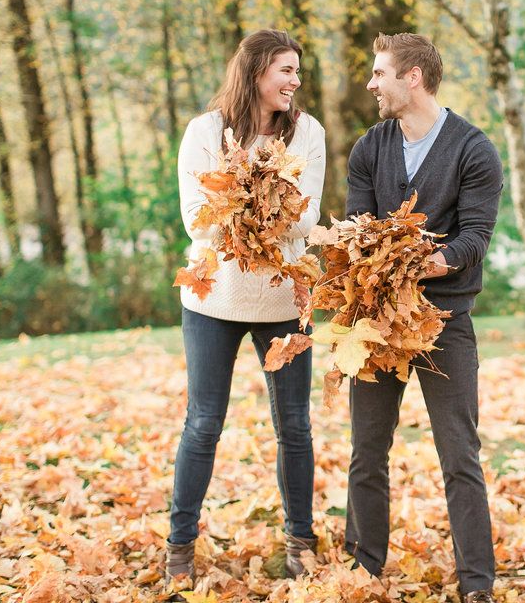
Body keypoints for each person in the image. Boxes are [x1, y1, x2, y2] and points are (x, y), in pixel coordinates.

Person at [344, 33, 502, 603]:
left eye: (380, 73)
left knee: (460, 453)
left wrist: (423, 263)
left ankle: (477, 585)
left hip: (445, 321)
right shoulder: (370, 147)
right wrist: (379, 270)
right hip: (379, 322)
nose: (370, 84)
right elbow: (357, 233)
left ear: (413, 78)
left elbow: (475, 238)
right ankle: (362, 572)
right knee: (367, 450)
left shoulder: (474, 150)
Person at [166, 29, 325, 585]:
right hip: (216, 299)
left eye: (297, 71)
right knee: (204, 424)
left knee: (295, 427)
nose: (294, 81)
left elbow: (305, 222)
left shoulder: (307, 133)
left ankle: (301, 543)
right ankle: (179, 549)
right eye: (286, 69)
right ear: (256, 69)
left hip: (285, 298)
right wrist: (263, 196)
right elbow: (197, 220)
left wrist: (247, 198)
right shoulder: (204, 132)